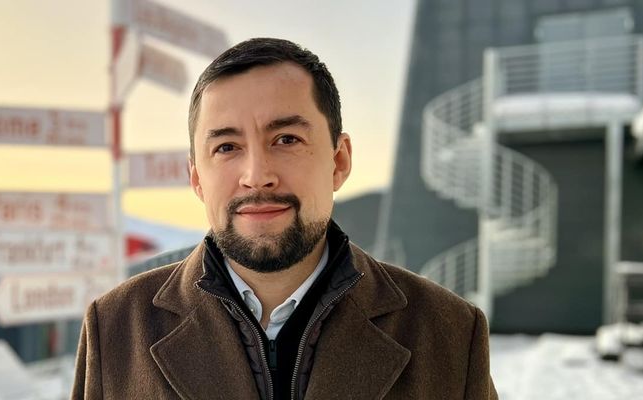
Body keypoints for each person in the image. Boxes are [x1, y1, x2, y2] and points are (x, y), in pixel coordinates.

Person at [72, 38, 497, 399]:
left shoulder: (450, 334)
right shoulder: (114, 330)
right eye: (226, 147)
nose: (257, 176)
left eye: (286, 139)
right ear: (197, 177)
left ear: (339, 160)